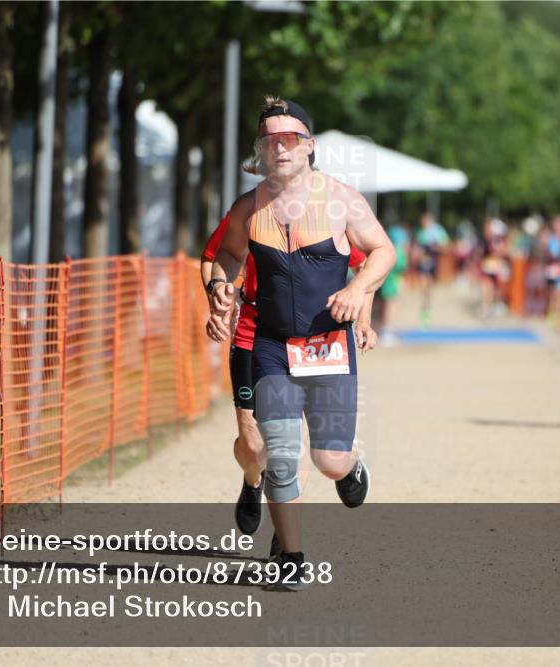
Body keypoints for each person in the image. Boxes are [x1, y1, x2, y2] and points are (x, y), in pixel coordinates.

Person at [208, 97, 395, 588]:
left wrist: (359, 290)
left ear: (309, 146)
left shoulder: (342, 201)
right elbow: (227, 256)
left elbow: (382, 251)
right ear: (260, 151)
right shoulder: (248, 208)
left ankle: (351, 466)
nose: (280, 147)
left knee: (327, 460)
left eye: (290, 138)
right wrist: (220, 287)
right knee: (282, 453)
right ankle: (291, 557)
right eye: (270, 140)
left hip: (326, 344)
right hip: (269, 345)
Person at [199, 215, 375, 538]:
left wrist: (363, 319)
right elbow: (214, 258)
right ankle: (253, 479)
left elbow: (366, 266)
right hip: (254, 332)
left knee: (294, 444)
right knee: (253, 446)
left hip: (316, 336)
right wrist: (216, 303)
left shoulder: (330, 212)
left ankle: (287, 538)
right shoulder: (252, 210)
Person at [372, 220, 410, 344]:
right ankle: (386, 330)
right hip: (392, 280)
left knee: (383, 304)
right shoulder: (397, 249)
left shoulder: (387, 247)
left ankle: (382, 328)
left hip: (387, 278)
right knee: (389, 304)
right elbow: (401, 265)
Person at [412, 212, 450, 327]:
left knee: (428, 288)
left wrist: (436, 247)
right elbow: (416, 248)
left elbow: (445, 247)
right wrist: (417, 255)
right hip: (423, 264)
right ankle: (425, 309)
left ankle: (427, 308)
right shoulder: (421, 232)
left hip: (433, 263)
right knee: (424, 287)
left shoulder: (438, 231)